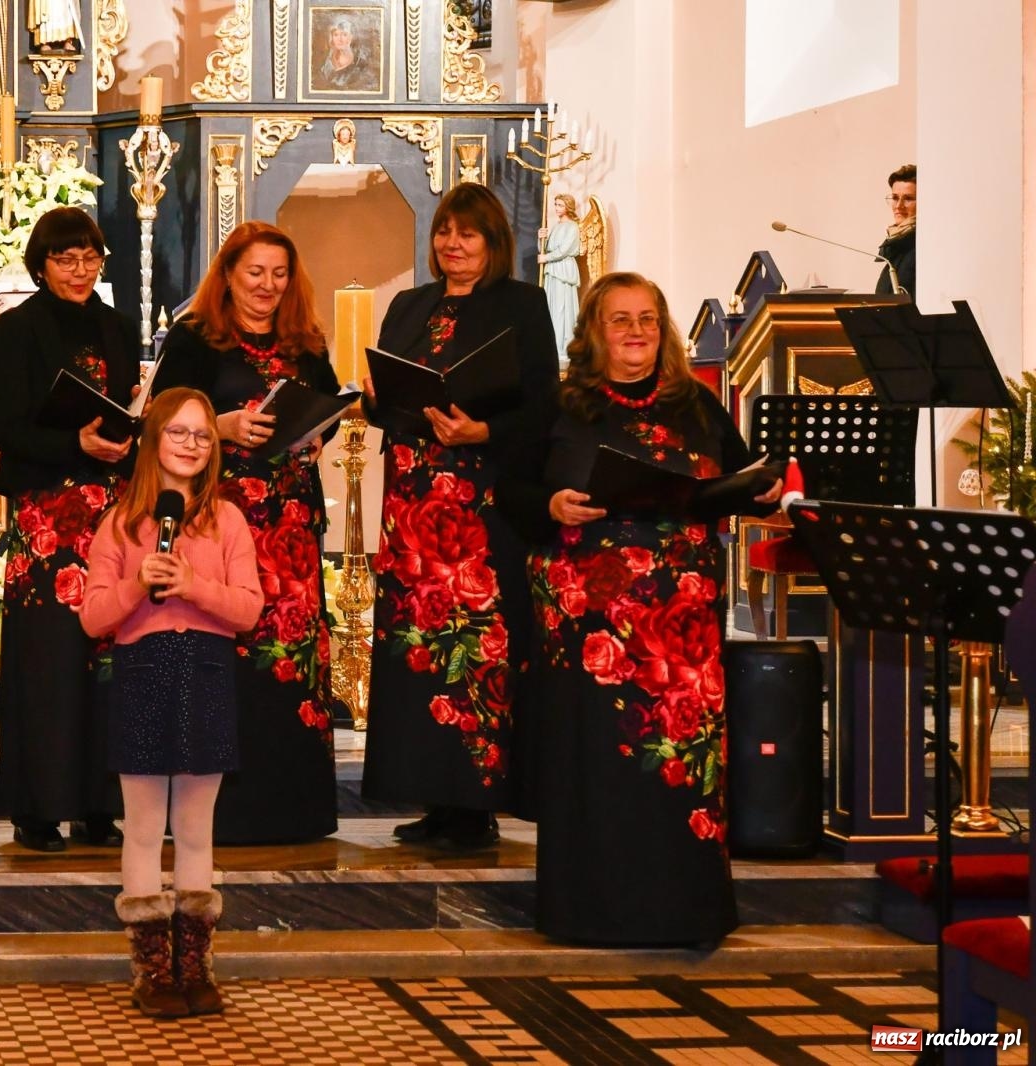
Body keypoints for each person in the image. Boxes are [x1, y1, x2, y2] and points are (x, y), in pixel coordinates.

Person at [523, 271, 781, 946]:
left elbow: (739, 478)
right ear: (594, 332)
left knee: (677, 764)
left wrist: (760, 491)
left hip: (680, 630)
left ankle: (683, 912)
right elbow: (510, 492)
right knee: (599, 766)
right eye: (619, 319)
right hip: (590, 629)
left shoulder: (695, 405)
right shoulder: (562, 404)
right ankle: (590, 913)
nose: (635, 331)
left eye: (646, 319)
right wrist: (550, 504)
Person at [358, 183, 559, 850]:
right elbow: (392, 399)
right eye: (445, 231)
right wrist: (373, 400)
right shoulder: (411, 306)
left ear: (492, 241)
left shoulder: (523, 306)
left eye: (467, 234)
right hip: (414, 512)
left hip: (481, 507)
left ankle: (476, 803)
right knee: (415, 653)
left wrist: (484, 433)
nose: (452, 244)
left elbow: (541, 409)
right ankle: (432, 796)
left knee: (477, 650)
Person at [153, 221, 340, 845]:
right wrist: (221, 425)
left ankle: (293, 808)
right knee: (219, 654)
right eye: (255, 272)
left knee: (292, 659)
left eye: (279, 274)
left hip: (290, 522)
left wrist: (319, 431)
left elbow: (326, 408)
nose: (267, 285)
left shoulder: (304, 341)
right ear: (228, 273)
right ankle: (216, 813)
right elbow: (160, 417)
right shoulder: (194, 339)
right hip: (220, 518)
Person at [79, 387, 262, 1018]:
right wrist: (138, 583)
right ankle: (153, 969)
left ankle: (195, 966)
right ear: (154, 439)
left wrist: (193, 584)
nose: (192, 444)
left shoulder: (228, 520)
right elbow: (91, 616)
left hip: (205, 671)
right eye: (179, 433)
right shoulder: (123, 522)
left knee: (194, 826)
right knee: (142, 823)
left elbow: (248, 608)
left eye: (204, 435)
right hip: (144, 669)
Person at [0, 206, 136, 852]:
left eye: (90, 258)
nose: (80, 270)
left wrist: (131, 429)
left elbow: (125, 410)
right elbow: (8, 429)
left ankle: (101, 808)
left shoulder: (118, 326)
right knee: (48, 659)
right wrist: (75, 441)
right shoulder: (16, 329)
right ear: (41, 266)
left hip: (111, 507)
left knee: (110, 659)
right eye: (65, 259)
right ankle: (39, 808)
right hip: (47, 513)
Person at [538, 193, 582, 364]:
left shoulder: (572, 227)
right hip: (553, 270)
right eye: (556, 205)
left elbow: (564, 250)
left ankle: (563, 346)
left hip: (563, 270)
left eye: (560, 205)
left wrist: (546, 259)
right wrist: (541, 238)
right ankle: (552, 345)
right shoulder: (556, 226)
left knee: (562, 309)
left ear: (568, 207)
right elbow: (547, 250)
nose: (557, 208)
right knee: (552, 307)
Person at [876, 163, 915, 297]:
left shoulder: (924, 245)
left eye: (908, 199)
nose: (898, 206)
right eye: (895, 198)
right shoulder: (896, 243)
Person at [315, 17, 376, 92]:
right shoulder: (327, 65)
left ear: (351, 37)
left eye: (344, 35)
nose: (340, 39)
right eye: (336, 35)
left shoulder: (361, 65)